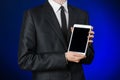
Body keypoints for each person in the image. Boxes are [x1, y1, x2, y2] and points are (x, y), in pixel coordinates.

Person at [18, 0, 95, 80]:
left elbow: (89, 58)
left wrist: (81, 45)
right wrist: (64, 58)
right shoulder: (33, 14)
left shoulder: (81, 14)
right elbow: (25, 60)